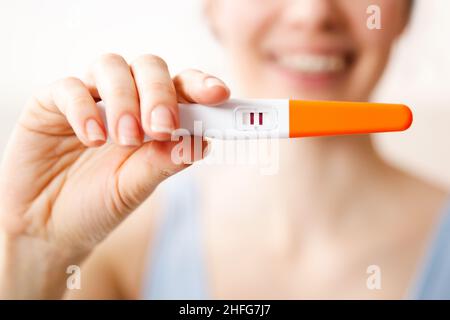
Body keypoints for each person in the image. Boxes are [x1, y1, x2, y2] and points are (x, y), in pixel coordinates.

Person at [1, 0, 448, 300]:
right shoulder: (113, 258)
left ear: (406, 11)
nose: (312, 13)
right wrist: (36, 249)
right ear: (212, 8)